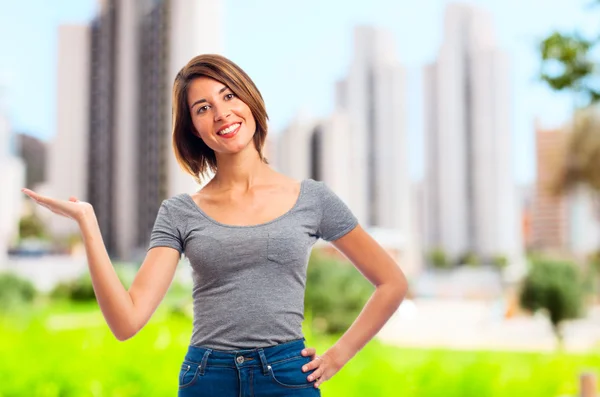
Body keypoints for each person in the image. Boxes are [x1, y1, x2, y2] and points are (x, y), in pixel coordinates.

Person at [22, 54, 408, 396]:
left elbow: (392, 282)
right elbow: (127, 321)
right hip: (208, 379)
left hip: (288, 377)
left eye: (228, 96)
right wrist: (88, 225)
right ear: (193, 128)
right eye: (202, 108)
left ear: (250, 100)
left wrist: (338, 355)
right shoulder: (179, 212)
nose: (221, 113)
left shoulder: (313, 199)